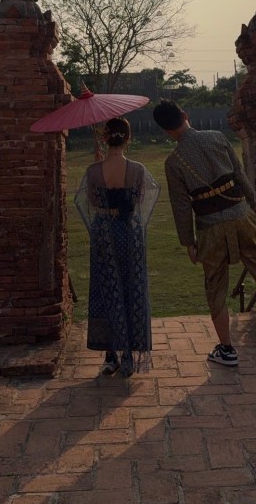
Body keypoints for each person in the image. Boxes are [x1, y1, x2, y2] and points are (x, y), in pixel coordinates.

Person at [152, 99, 256, 367]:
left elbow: (182, 205)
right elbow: (239, 173)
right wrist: (254, 203)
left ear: (165, 130)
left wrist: (188, 241)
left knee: (215, 286)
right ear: (185, 115)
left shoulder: (173, 162)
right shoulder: (216, 137)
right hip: (241, 215)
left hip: (210, 227)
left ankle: (227, 350)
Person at [74, 117, 160, 377]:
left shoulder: (92, 171)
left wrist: (99, 166)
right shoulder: (138, 169)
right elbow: (141, 199)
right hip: (129, 232)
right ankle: (128, 355)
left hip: (103, 231)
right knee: (131, 286)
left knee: (106, 288)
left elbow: (89, 200)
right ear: (128, 139)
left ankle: (110, 355)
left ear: (104, 138)